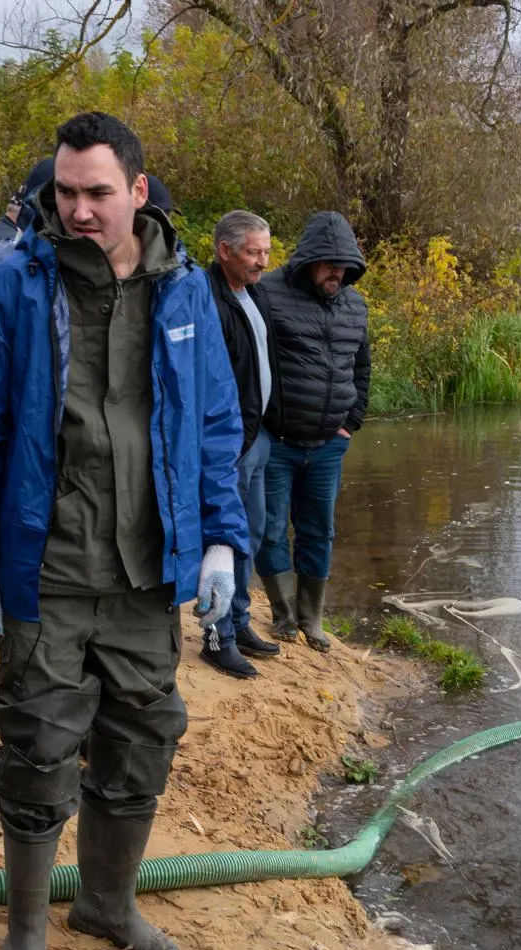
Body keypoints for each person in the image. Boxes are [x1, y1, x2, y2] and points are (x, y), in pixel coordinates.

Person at [0, 111, 247, 950]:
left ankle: (107, 903)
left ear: (137, 192)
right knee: (38, 747)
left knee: (142, 740)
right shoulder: (7, 288)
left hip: (149, 574)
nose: (78, 209)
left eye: (98, 192)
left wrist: (221, 539)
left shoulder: (186, 292)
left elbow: (215, 425)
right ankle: (26, 934)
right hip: (49, 570)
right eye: (65, 192)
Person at [255, 212, 369, 650]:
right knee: (270, 531)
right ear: (308, 261)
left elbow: (362, 369)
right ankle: (284, 616)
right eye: (330, 265)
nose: (337, 274)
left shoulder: (355, 306)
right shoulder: (267, 294)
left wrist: (351, 420)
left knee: (319, 531)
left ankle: (312, 618)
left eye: (345, 267)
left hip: (327, 446)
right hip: (275, 441)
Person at [198, 210, 281, 678]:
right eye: (253, 252)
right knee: (224, 540)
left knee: (251, 535)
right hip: (227, 442)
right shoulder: (206, 298)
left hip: (258, 434)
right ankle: (217, 638)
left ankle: (240, 622)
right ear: (224, 250)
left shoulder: (254, 293)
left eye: (266, 251)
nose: (262, 261)